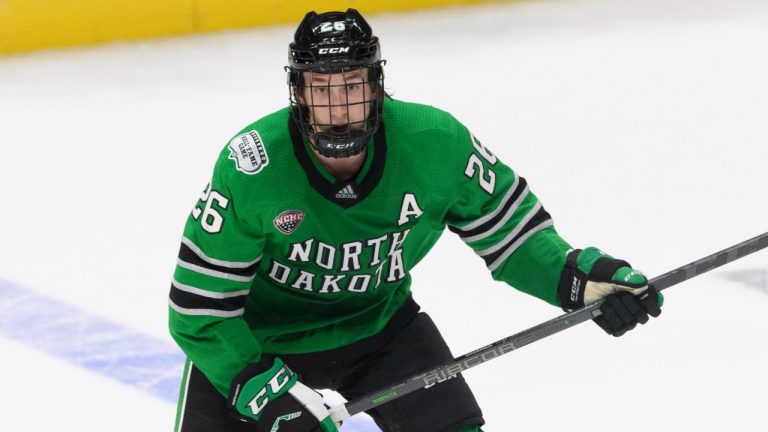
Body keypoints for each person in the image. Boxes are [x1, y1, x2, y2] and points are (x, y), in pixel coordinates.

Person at [168, 8, 662, 432]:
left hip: (380, 330)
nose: (338, 109)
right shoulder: (253, 167)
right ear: (297, 93)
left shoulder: (436, 144)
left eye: (352, 86)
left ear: (378, 85)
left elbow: (513, 237)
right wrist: (256, 384)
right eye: (321, 88)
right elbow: (198, 309)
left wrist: (574, 280)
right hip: (259, 344)